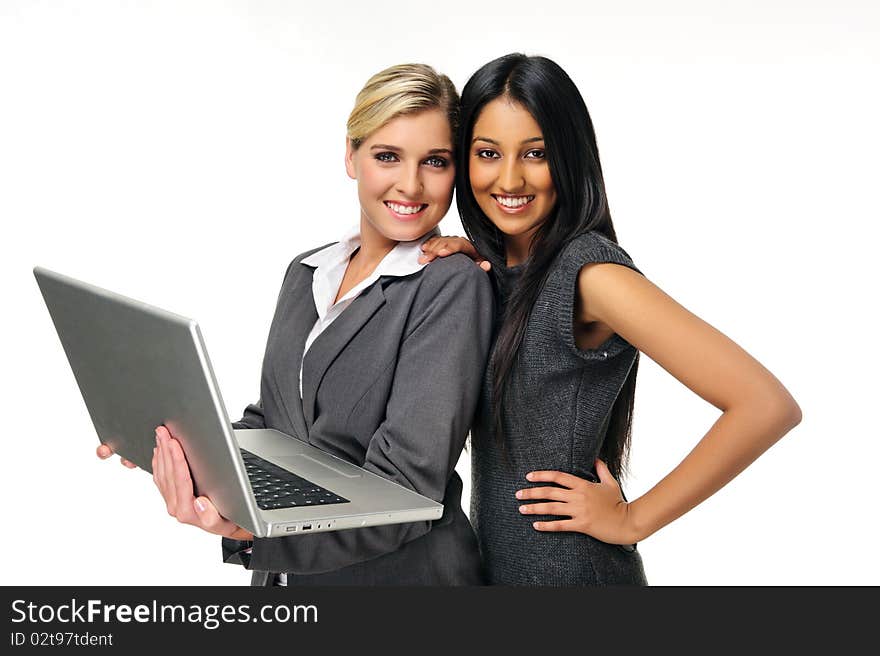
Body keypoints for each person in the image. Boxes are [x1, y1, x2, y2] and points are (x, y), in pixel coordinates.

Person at [98, 63, 493, 586]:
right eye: (387, 156)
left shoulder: (451, 286)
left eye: (435, 161)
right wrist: (176, 445)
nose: (410, 183)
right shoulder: (308, 270)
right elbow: (275, 421)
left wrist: (250, 531)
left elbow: (407, 492)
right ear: (350, 155)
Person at [418, 53, 802, 585]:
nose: (510, 177)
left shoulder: (590, 275)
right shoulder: (496, 271)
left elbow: (766, 405)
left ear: (570, 159)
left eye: (536, 153)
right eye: (488, 153)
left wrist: (632, 517)